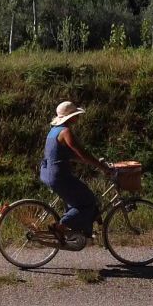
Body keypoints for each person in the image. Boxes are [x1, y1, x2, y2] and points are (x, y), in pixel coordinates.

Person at [40, 101, 113, 243]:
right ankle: (60, 226)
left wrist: (92, 162)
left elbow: (72, 155)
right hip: (59, 175)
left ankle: (78, 234)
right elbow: (80, 151)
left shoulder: (53, 131)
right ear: (70, 117)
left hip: (47, 173)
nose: (78, 118)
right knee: (88, 201)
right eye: (76, 115)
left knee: (77, 200)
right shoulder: (65, 132)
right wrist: (102, 167)